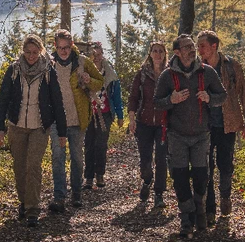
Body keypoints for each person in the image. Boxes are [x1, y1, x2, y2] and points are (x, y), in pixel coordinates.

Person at [154, 34, 226, 237]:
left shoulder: (207, 72)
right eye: (187, 47)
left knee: (202, 176)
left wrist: (210, 97)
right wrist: (171, 99)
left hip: (202, 134)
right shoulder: (167, 76)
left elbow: (223, 96)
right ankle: (187, 218)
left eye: (193, 46)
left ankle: (199, 209)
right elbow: (157, 102)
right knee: (179, 176)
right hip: (177, 135)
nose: (192, 49)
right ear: (177, 52)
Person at [0, 35, 67, 227]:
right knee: (20, 167)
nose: (32, 56)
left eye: (35, 52)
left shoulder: (48, 71)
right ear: (23, 51)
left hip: (39, 127)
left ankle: (33, 209)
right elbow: (2, 99)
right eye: (28, 52)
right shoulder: (14, 70)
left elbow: (57, 102)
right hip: (17, 126)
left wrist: (62, 132)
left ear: (41, 51)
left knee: (33, 165)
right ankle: (24, 202)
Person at [196, 30, 245, 226]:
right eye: (198, 45)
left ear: (214, 46)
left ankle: (225, 197)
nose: (199, 49)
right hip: (204, 126)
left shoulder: (231, 66)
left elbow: (244, 94)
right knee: (206, 166)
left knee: (225, 164)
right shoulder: (196, 68)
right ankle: (210, 208)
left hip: (227, 124)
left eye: (202, 45)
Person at [48, 29, 104, 212]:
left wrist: (89, 80)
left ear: (72, 45)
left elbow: (99, 81)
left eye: (66, 47)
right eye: (60, 47)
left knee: (77, 158)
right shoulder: (49, 64)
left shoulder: (82, 62)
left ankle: (77, 194)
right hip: (57, 122)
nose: (63, 51)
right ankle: (59, 196)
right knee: (57, 158)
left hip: (78, 119)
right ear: (55, 47)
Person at [127, 39, 168, 208]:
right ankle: (147, 181)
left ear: (165, 54)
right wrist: (131, 119)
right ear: (150, 54)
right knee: (145, 160)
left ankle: (159, 194)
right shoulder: (142, 73)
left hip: (163, 123)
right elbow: (133, 98)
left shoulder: (170, 73)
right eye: (155, 51)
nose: (158, 54)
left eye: (161, 51)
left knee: (161, 158)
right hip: (143, 123)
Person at [83, 42, 124, 190]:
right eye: (94, 55)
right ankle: (88, 177)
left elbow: (116, 96)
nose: (97, 58)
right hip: (88, 113)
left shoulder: (109, 73)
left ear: (102, 55)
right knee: (88, 144)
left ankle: (99, 174)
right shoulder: (84, 72)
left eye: (99, 54)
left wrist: (120, 115)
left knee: (101, 144)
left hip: (105, 113)